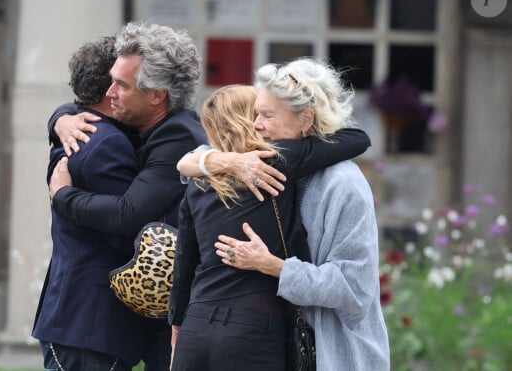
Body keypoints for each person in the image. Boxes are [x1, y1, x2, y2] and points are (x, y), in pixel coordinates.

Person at [168, 83, 371, 371]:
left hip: (196, 327)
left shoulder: (198, 182)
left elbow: (184, 263)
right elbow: (357, 138)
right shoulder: (277, 159)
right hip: (253, 330)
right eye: (259, 112)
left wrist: (177, 329)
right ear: (248, 119)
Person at [46, 22, 207, 370]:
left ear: (156, 95)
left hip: (180, 320)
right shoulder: (137, 126)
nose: (110, 92)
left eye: (121, 84)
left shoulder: (178, 138)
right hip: (147, 317)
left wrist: (63, 197)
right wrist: (60, 118)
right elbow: (83, 109)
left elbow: (127, 213)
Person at [212, 59, 391, 370]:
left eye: (267, 115)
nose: (256, 125)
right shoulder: (268, 167)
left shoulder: (344, 184)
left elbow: (356, 291)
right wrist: (212, 162)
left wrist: (273, 266)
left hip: (339, 355)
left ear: (306, 119)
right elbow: (191, 160)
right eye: (256, 114)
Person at [32, 36, 140, 370]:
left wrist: (59, 116)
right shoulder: (108, 143)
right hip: (91, 323)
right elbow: (122, 229)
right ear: (112, 88)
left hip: (74, 319)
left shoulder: (78, 128)